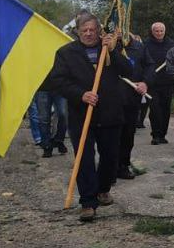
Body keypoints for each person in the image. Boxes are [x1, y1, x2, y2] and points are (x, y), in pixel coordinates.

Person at [49, 13, 130, 222]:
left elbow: (130, 70)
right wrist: (80, 94)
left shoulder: (110, 49)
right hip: (81, 114)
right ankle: (87, 202)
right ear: (77, 31)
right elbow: (57, 81)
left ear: (99, 30)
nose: (88, 34)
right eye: (84, 30)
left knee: (110, 157)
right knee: (84, 158)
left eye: (92, 30)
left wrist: (114, 51)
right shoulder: (66, 53)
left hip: (110, 112)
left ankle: (103, 189)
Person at [116, 33, 149, 179]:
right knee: (111, 136)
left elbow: (150, 66)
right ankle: (109, 166)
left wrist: (145, 82)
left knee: (128, 134)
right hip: (110, 100)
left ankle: (123, 165)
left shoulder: (139, 47)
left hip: (131, 98)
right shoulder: (104, 47)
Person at [142, 21, 174, 144]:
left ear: (164, 31)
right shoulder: (145, 44)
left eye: (161, 31)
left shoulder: (172, 44)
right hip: (152, 82)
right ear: (152, 32)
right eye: (156, 31)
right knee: (155, 108)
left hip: (167, 82)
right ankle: (155, 134)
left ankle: (162, 134)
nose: (159, 33)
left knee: (165, 109)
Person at [32, 72, 69, 158]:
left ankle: (58, 139)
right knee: (44, 119)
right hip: (42, 87)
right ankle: (47, 146)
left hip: (60, 87)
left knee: (63, 114)